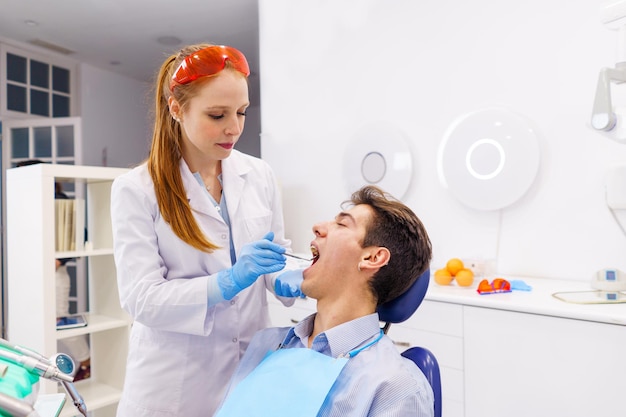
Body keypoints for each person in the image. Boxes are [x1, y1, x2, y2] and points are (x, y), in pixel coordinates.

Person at [110, 43, 302, 417]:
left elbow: (275, 251)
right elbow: (142, 299)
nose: (234, 128)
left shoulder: (258, 174)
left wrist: (285, 278)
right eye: (217, 115)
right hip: (174, 386)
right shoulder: (136, 189)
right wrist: (225, 282)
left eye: (242, 112)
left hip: (248, 368)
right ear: (176, 108)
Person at [216, 185, 435, 417]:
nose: (317, 227)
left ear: (372, 258)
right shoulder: (265, 344)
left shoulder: (395, 386)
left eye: (341, 224)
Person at [15, 159, 91, 381]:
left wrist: (59, 260)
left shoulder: (58, 201)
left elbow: (81, 234)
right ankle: (33, 374)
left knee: (58, 321)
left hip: (54, 273)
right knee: (30, 321)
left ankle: (87, 363)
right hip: (30, 273)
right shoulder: (25, 202)